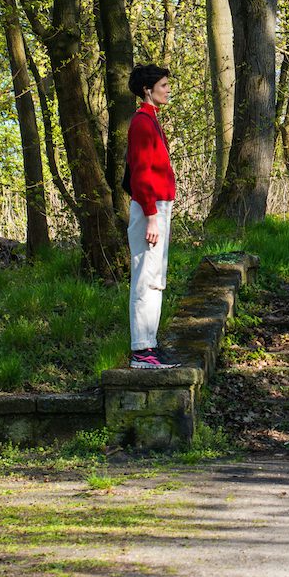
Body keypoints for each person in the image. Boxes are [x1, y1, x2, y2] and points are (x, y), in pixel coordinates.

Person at [126, 64, 181, 369]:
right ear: (147, 89)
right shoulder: (142, 123)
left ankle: (150, 346)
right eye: (163, 85)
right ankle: (141, 352)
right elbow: (141, 173)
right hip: (150, 208)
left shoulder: (151, 120)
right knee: (146, 280)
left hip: (158, 206)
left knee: (155, 279)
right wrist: (150, 216)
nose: (167, 89)